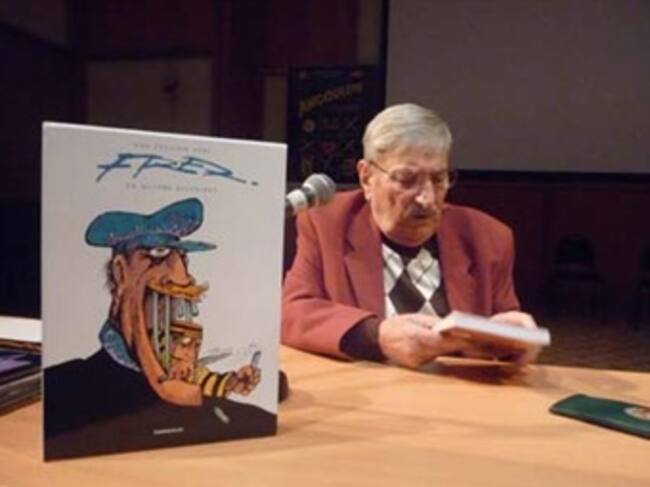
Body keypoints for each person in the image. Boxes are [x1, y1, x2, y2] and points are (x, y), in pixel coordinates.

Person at [282, 103, 539, 369]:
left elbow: (505, 338)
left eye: (439, 179)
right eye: (406, 179)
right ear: (367, 177)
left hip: (456, 390)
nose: (427, 198)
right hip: (365, 388)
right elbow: (291, 312)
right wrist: (378, 335)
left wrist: (516, 341)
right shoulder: (327, 223)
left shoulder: (488, 238)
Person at [44, 198, 275, 459]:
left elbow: (202, 383)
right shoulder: (62, 391)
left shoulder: (236, 418)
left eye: (182, 257)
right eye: (158, 253)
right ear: (120, 272)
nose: (180, 272)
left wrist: (232, 382)